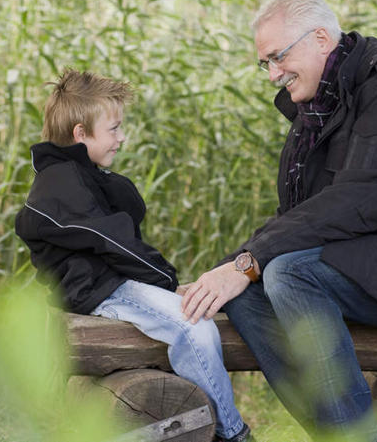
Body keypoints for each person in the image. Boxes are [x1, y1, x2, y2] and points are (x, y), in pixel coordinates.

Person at [180, 0, 377, 441]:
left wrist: (250, 262)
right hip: (372, 265)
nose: (272, 74)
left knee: (288, 273)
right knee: (245, 292)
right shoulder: (318, 111)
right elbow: (301, 217)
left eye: (278, 57)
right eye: (264, 63)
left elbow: (361, 200)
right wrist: (231, 268)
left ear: (320, 38)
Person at [14, 69, 252, 442]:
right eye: (113, 129)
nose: (121, 138)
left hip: (111, 285)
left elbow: (118, 235)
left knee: (195, 318)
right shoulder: (61, 185)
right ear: (80, 133)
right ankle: (232, 433)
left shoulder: (79, 177)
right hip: (102, 292)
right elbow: (116, 243)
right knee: (195, 328)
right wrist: (168, 283)